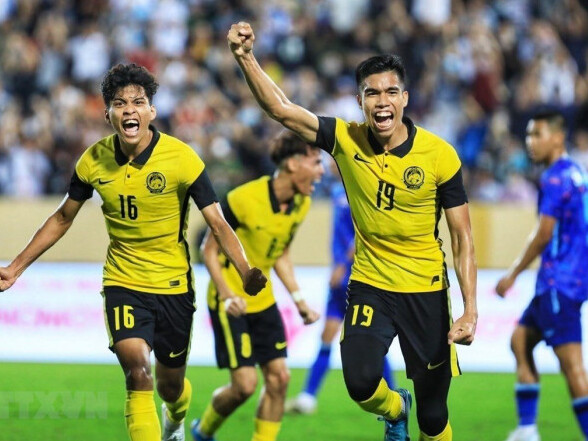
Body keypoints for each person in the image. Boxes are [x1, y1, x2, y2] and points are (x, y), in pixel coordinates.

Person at [227, 22, 477, 441]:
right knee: (360, 383)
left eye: (391, 91)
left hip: (426, 289)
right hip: (370, 284)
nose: (382, 101)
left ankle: (417, 415)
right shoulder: (345, 139)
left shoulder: (440, 156)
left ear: (405, 98)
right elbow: (281, 109)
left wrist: (470, 310)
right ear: (360, 101)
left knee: (434, 417)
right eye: (372, 93)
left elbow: (462, 238)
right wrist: (245, 57)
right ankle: (396, 408)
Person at [0, 63, 267, 441]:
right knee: (138, 374)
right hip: (123, 282)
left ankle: (175, 418)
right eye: (120, 103)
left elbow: (219, 224)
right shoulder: (92, 160)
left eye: (138, 102)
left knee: (170, 387)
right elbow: (62, 217)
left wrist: (244, 270)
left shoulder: (182, 159)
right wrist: (15, 268)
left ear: (151, 111)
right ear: (107, 113)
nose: (129, 110)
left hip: (173, 286)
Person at [190, 131, 323, 441]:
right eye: (316, 162)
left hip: (263, 301)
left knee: (279, 379)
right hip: (230, 302)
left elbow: (281, 253)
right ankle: (203, 431)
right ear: (292, 164)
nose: (321, 170)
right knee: (245, 386)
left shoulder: (302, 203)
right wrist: (227, 295)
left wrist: (299, 300)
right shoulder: (243, 199)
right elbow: (208, 250)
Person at [495, 111, 588, 441]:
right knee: (520, 340)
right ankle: (527, 429)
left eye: (537, 134)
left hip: (557, 283)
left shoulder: (553, 178)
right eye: (528, 135)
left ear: (558, 138)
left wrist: (512, 274)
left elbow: (544, 234)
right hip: (569, 280)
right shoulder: (576, 173)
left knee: (572, 367)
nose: (530, 142)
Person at [285, 164, 395, 415]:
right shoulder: (337, 190)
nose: (329, 163)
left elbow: (366, 232)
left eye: (334, 158)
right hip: (340, 279)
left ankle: (393, 394)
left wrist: (343, 264)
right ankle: (308, 396)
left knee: (371, 340)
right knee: (327, 335)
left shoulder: (363, 189)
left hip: (359, 276)